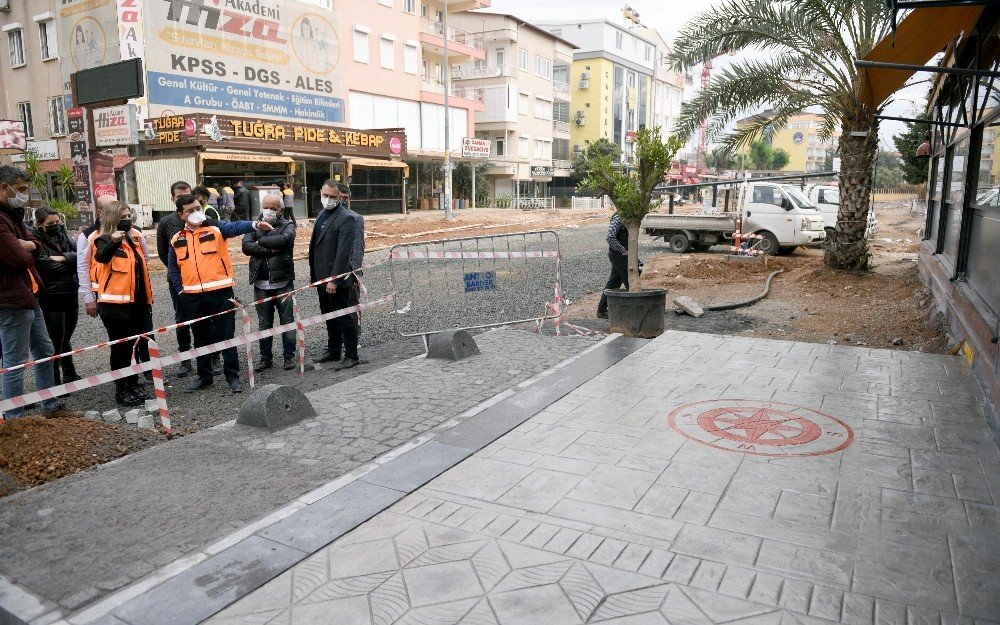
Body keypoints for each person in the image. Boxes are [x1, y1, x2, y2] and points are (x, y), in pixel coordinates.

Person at [168, 194, 273, 393]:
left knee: (227, 337)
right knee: (200, 339)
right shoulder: (177, 238)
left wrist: (255, 225)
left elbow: (234, 227)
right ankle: (204, 376)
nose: (196, 213)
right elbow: (173, 268)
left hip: (220, 292)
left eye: (198, 208)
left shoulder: (215, 228)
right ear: (181, 215)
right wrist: (180, 289)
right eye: (190, 210)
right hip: (192, 297)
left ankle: (232, 376)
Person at [0, 165, 81, 419]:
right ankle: (14, 419)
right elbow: (20, 259)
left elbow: (34, 244)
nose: (24, 194)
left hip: (28, 294)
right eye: (21, 189)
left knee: (45, 351)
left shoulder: (13, 214)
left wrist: (30, 245)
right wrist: (29, 247)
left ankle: (50, 405)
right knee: (14, 361)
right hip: (10, 299)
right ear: (5, 187)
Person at [91, 202, 154, 407]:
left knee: (135, 347)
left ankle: (133, 383)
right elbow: (101, 257)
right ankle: (121, 389)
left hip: (138, 303)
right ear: (112, 219)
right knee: (121, 349)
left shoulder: (134, 238)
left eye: (129, 216)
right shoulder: (102, 239)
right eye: (122, 217)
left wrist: (147, 302)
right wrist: (114, 241)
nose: (127, 220)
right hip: (114, 306)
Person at [156, 181, 220, 378]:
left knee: (208, 318)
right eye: (179, 197)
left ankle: (213, 357)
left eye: (187, 195)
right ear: (173, 200)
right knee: (182, 320)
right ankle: (185, 359)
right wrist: (181, 273)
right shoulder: (166, 223)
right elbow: (163, 253)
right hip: (180, 283)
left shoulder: (205, 219)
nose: (183, 199)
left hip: (205, 281)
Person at [308, 180, 362, 370]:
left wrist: (335, 279)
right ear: (321, 193)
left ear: (340, 197)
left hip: (336, 281)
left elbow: (343, 253)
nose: (328, 199)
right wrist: (314, 276)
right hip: (322, 279)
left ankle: (352, 354)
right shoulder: (322, 214)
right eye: (325, 195)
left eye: (332, 196)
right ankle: (333, 351)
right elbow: (317, 247)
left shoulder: (346, 218)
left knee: (344, 317)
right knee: (329, 316)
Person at [242, 194, 296, 372]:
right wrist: (270, 250)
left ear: (280, 210)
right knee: (264, 323)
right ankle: (265, 359)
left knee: (287, 322)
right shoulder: (253, 225)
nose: (269, 210)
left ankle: (289, 357)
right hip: (260, 284)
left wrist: (260, 241)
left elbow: (284, 241)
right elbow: (246, 247)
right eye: (266, 207)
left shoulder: (287, 225)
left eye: (273, 208)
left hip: (283, 283)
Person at [30, 207, 80, 385]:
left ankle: (69, 372)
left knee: (66, 337)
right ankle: (54, 379)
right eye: (50, 224)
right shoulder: (34, 239)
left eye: (57, 222)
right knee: (56, 339)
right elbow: (44, 265)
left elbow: (80, 256)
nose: (55, 226)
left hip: (71, 292)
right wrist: (70, 261)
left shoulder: (64, 235)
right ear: (40, 224)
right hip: (51, 295)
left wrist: (62, 258)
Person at [77, 194, 116, 322]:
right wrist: (89, 299)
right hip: (104, 295)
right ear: (100, 212)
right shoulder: (88, 236)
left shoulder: (130, 231)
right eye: (110, 209)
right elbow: (82, 267)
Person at [596, 211, 632, 319]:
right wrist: (623, 250)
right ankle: (633, 310)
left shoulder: (629, 216)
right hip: (618, 255)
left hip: (623, 255)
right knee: (630, 281)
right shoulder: (619, 217)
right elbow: (610, 237)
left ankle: (602, 310)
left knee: (614, 282)